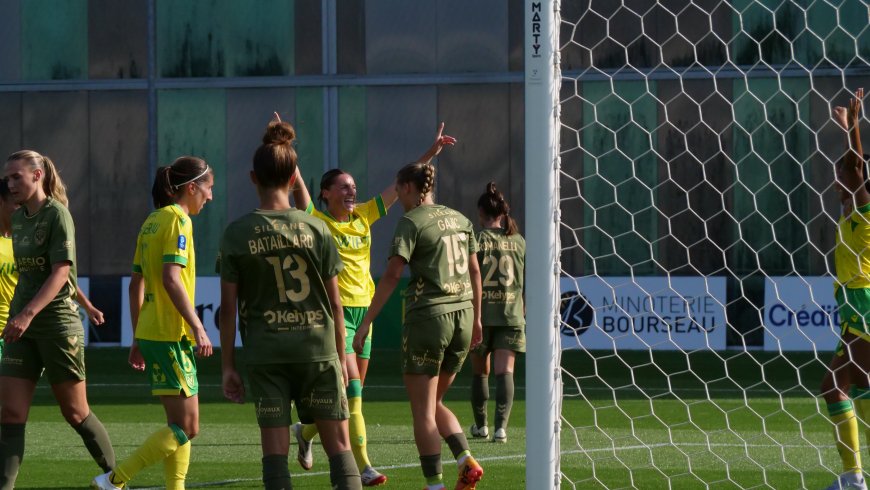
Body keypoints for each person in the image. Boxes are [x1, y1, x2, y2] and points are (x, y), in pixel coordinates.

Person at [290, 121, 455, 486]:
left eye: (353, 186)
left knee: (351, 398)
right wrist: (285, 146)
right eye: (344, 187)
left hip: (365, 313)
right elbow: (297, 185)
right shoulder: (316, 219)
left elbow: (402, 187)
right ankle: (363, 466)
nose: (352, 191)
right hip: (335, 315)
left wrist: (430, 154)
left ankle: (306, 432)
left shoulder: (365, 215)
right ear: (326, 193)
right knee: (354, 390)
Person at [218, 119, 361, 489]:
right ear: (294, 176)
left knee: (275, 457)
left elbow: (229, 311)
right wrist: (344, 358)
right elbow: (335, 301)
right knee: (341, 450)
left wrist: (228, 366)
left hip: (267, 354)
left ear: (253, 178)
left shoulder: (237, 233)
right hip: (318, 350)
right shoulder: (318, 228)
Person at [352, 161, 484, 490]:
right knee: (435, 402)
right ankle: (465, 459)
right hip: (464, 315)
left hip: (429, 318)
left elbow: (394, 274)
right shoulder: (460, 219)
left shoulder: (411, 222)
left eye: (399, 191)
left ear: (408, 188)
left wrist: (367, 320)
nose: (399, 197)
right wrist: (478, 318)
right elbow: (475, 272)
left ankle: (434, 485)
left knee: (422, 411)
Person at [92, 156, 215, 490]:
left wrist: (136, 337)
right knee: (188, 427)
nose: (210, 196)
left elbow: (136, 284)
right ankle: (115, 480)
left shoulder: (151, 221)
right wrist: (198, 326)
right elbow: (171, 279)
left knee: (176, 423)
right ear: (191, 188)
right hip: (171, 333)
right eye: (208, 188)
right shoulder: (179, 221)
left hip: (151, 332)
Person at [0, 150, 116, 489]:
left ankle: (116, 477)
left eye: (16, 177)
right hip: (22, 328)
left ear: (37, 176)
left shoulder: (57, 215)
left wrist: (27, 313)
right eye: (7, 178)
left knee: (75, 413)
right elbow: (27, 276)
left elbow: (61, 272)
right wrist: (17, 315)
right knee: (11, 414)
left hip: (56, 325)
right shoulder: (18, 219)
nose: (10, 184)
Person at [821, 87, 870, 490]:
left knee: (860, 382)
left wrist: (852, 127)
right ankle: (852, 477)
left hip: (866, 303)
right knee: (835, 385)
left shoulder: (864, 207)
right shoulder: (851, 212)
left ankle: (856, 478)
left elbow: (856, 167)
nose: (835, 179)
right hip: (855, 303)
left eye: (839, 175)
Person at [468, 182, 525, 444]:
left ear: (481, 214)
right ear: (502, 213)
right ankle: (501, 427)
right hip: (511, 314)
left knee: (481, 373)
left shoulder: (477, 239)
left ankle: (481, 426)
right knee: (506, 372)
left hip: (481, 315)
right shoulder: (518, 241)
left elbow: (469, 275)